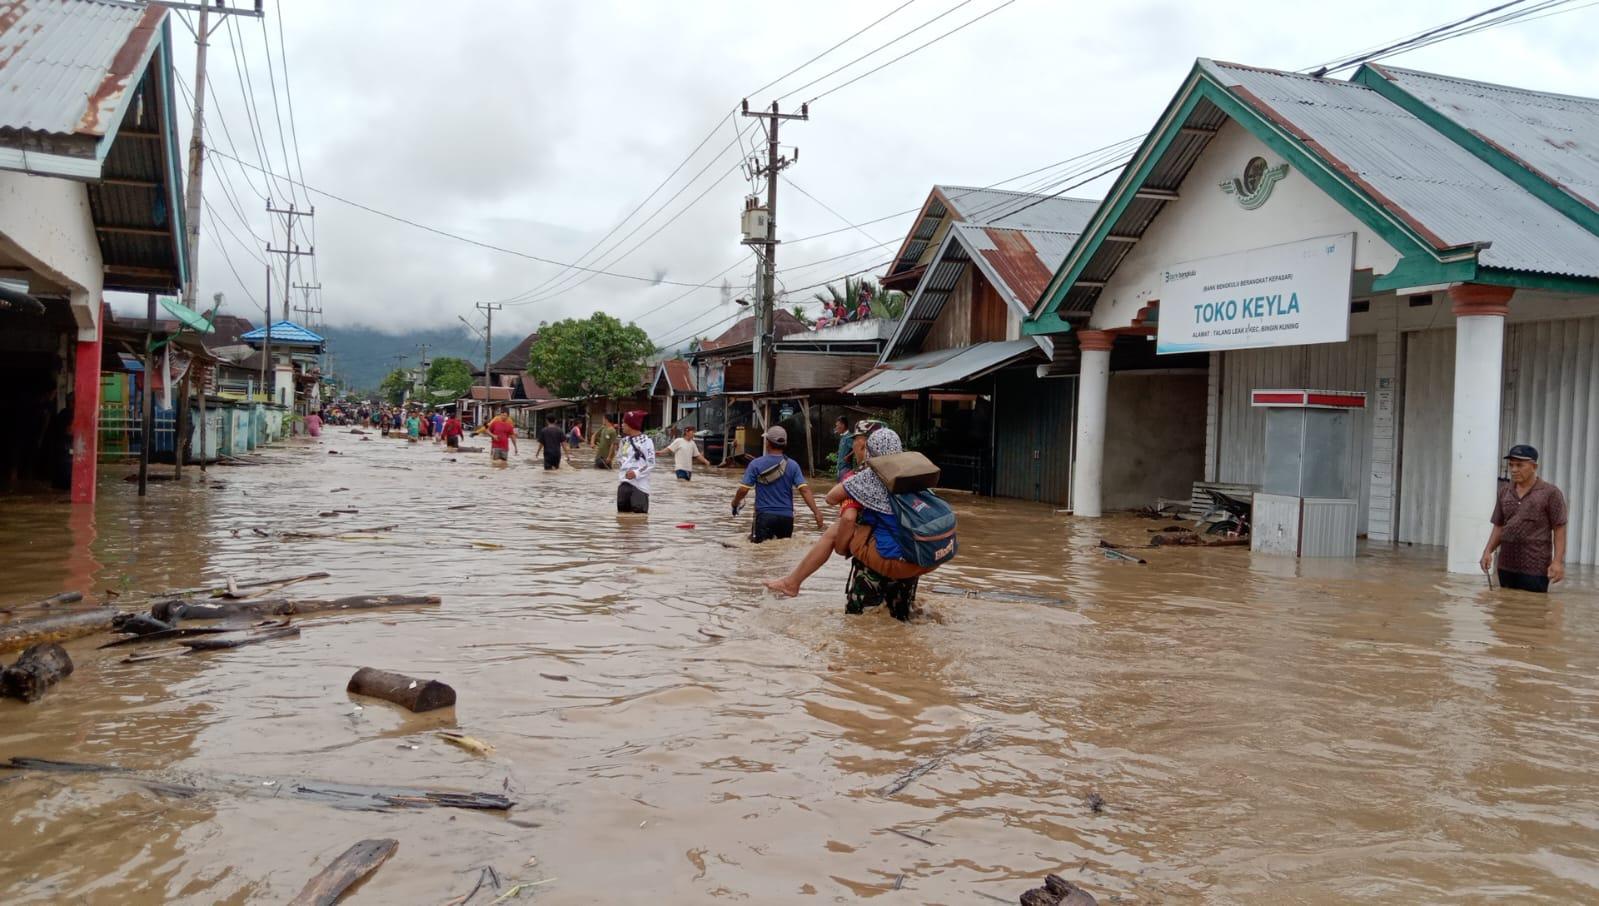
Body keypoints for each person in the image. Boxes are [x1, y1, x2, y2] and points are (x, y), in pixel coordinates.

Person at [764, 424, 938, 620]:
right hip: (911, 558)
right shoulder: (915, 477)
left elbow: (840, 509)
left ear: (866, 448)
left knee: (859, 622)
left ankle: (792, 583)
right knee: (900, 620)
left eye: (856, 442)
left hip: (877, 559)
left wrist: (842, 546)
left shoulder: (864, 479)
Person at [1480, 444, 1567, 593]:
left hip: (1535, 568)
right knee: (1505, 610)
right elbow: (1499, 526)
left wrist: (1557, 562)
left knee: (1533, 610)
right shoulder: (1504, 492)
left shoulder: (1550, 493)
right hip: (1506, 566)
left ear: (1534, 466)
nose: (1514, 470)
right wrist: (1487, 551)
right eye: (1511, 465)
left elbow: (1559, 529)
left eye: (1519, 465)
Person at [732, 426, 825, 543]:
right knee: (782, 553)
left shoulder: (756, 464)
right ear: (784, 444)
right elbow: (805, 490)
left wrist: (735, 503)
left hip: (764, 517)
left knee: (760, 554)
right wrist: (817, 512)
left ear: (768, 443)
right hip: (787, 518)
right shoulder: (793, 465)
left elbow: (743, 490)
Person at [616, 410, 655, 513]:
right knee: (622, 520)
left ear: (631, 425)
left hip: (640, 487)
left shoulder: (647, 441)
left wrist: (636, 473)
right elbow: (619, 458)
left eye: (624, 423)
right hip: (624, 484)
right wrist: (624, 468)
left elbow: (651, 463)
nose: (622, 425)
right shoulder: (623, 441)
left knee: (639, 521)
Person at [833, 416, 853, 480]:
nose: (836, 428)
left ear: (843, 425)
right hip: (840, 468)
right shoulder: (843, 437)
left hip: (846, 468)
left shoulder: (849, 437)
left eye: (837, 426)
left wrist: (848, 456)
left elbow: (856, 448)